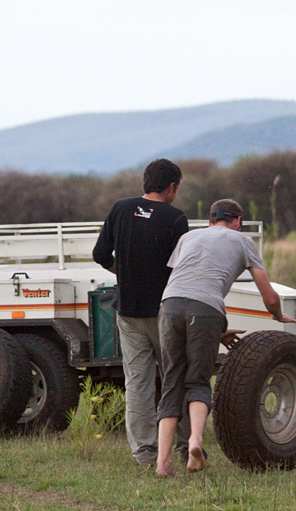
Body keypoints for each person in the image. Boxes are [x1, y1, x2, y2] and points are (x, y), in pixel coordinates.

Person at [154, 198, 296, 478]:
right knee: (197, 381)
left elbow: (185, 284)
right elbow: (269, 296)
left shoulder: (188, 237)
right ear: (237, 222)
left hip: (169, 306)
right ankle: (195, 441)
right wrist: (279, 315)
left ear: (210, 220)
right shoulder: (242, 242)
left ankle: (163, 463)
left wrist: (214, 332)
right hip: (206, 310)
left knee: (171, 382)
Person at [92, 158, 191, 467]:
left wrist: (122, 272)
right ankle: (186, 447)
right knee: (177, 379)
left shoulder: (120, 208)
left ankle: (145, 455)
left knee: (138, 385)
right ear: (172, 187)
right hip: (165, 312)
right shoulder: (176, 218)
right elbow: (182, 268)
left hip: (128, 312)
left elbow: (99, 254)